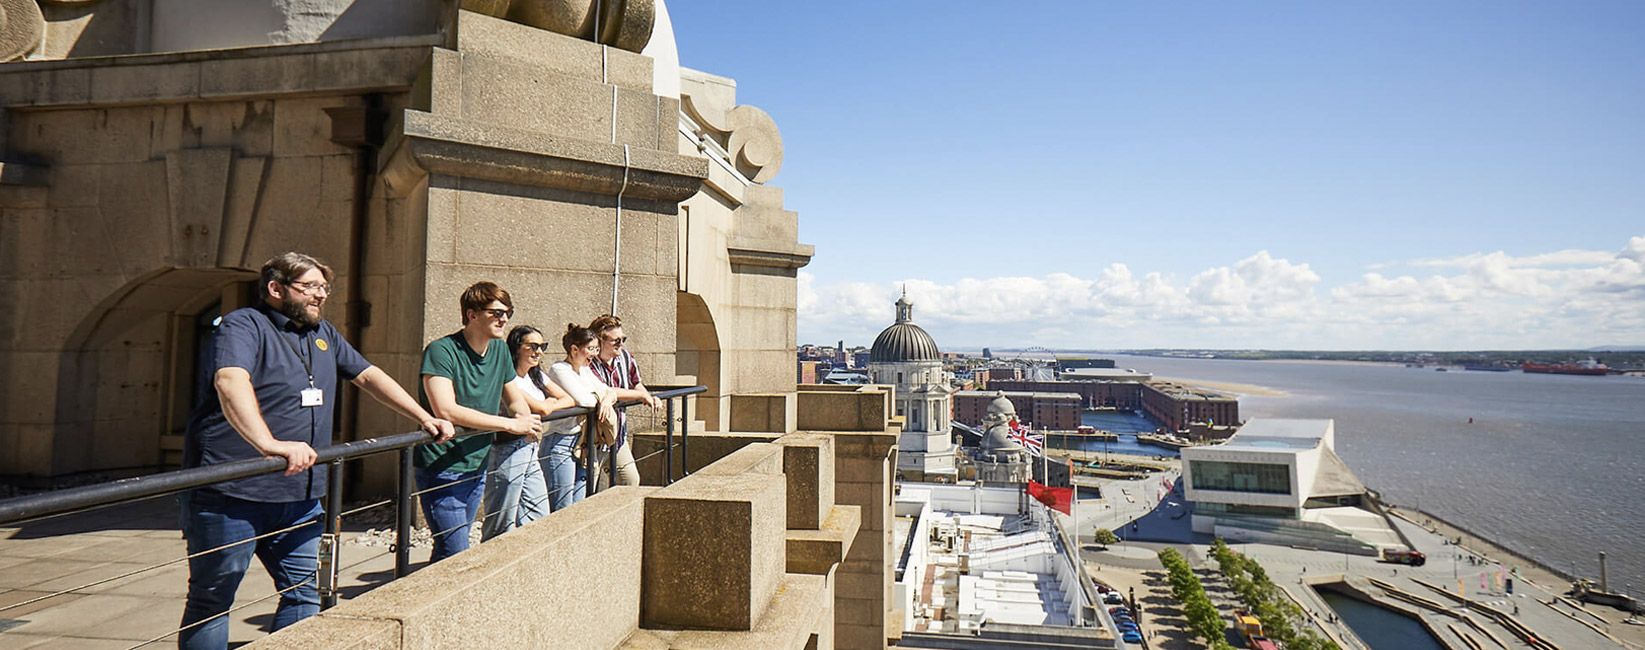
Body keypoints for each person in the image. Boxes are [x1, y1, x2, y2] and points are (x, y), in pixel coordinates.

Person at [180, 252, 455, 650]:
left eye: (325, 288)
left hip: (300, 495)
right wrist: (269, 445)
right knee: (212, 601)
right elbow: (229, 381)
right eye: (310, 287)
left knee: (305, 594)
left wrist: (422, 416)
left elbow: (368, 375)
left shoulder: (322, 333)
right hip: (232, 494)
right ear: (276, 289)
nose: (321, 296)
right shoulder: (244, 325)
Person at [416, 282, 542, 561]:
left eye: (508, 312)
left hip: (477, 461)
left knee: (450, 551)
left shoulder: (498, 351)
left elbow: (514, 396)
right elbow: (446, 409)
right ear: (472, 315)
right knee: (455, 550)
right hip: (442, 465)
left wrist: (524, 417)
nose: (504, 319)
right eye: (496, 312)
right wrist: (509, 425)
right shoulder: (441, 351)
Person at [497, 325, 578, 522]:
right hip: (509, 448)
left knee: (538, 514)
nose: (539, 352)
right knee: (503, 517)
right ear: (517, 347)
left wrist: (548, 405)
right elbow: (541, 409)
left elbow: (569, 399)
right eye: (533, 346)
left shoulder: (537, 376)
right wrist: (547, 405)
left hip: (531, 446)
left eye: (542, 346)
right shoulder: (510, 378)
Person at [587, 314, 662, 487]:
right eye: (616, 341)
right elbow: (605, 390)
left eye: (623, 339)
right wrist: (641, 396)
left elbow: (636, 384)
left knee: (631, 480)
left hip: (617, 434)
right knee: (588, 488)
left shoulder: (625, 357)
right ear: (600, 341)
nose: (621, 344)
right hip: (594, 437)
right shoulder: (589, 361)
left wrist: (648, 396)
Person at [545, 323, 616, 504]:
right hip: (561, 441)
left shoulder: (584, 370)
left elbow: (609, 391)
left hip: (583, 441)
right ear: (574, 349)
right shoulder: (559, 369)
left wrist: (606, 400)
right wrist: (602, 397)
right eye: (590, 349)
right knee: (563, 504)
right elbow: (586, 401)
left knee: (578, 503)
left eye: (596, 349)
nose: (594, 354)